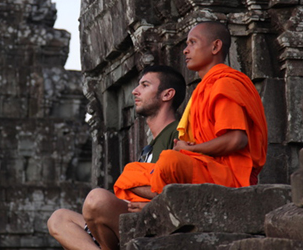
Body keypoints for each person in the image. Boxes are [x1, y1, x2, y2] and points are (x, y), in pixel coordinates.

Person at [66, 21, 268, 250]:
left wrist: (191, 150)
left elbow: (236, 139)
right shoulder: (203, 89)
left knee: (170, 159)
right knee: (130, 172)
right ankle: (159, 199)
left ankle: (158, 202)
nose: (185, 49)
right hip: (202, 168)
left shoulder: (226, 82)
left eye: (193, 42)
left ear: (215, 47)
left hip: (227, 176)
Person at [46, 65, 187, 250]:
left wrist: (150, 203)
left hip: (154, 219)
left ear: (167, 94)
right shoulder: (150, 145)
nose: (135, 92)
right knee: (59, 219)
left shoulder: (179, 135)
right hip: (129, 216)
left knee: (97, 199)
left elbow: (183, 188)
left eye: (144, 85)